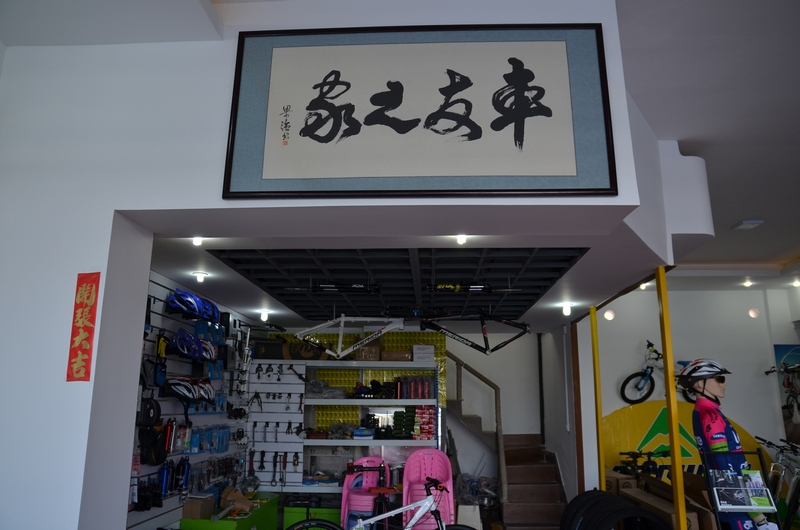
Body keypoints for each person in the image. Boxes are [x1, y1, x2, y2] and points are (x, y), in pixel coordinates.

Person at [678, 359, 776, 530]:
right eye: (719, 379)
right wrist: (758, 517)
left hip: (739, 492)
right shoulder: (710, 415)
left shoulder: (707, 411)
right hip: (737, 501)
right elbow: (724, 468)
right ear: (700, 383)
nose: (723, 384)